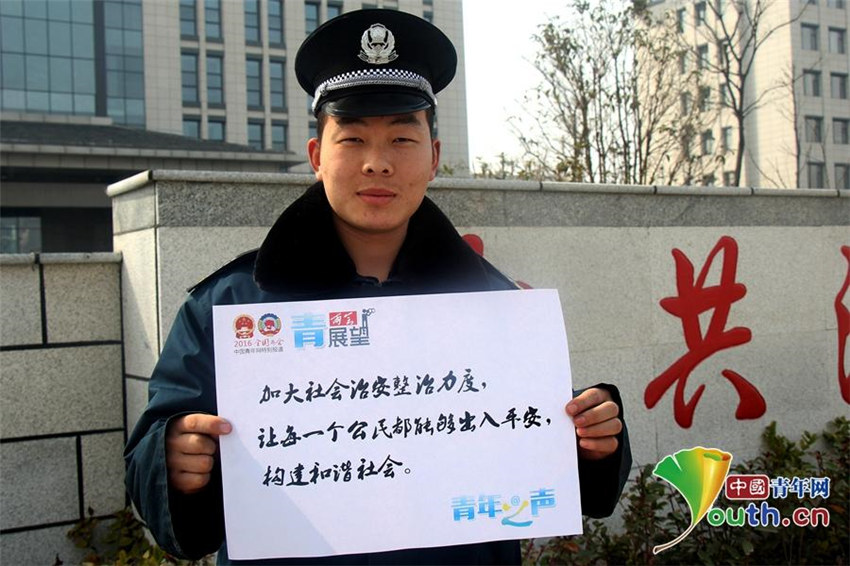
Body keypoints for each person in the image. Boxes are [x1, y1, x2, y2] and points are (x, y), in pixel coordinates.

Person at [125, 8, 631, 565]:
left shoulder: (495, 304)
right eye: (353, 139)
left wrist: (593, 441)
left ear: (434, 157)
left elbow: (541, 448)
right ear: (317, 157)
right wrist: (174, 459)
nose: (377, 163)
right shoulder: (231, 304)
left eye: (401, 138)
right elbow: (153, 466)